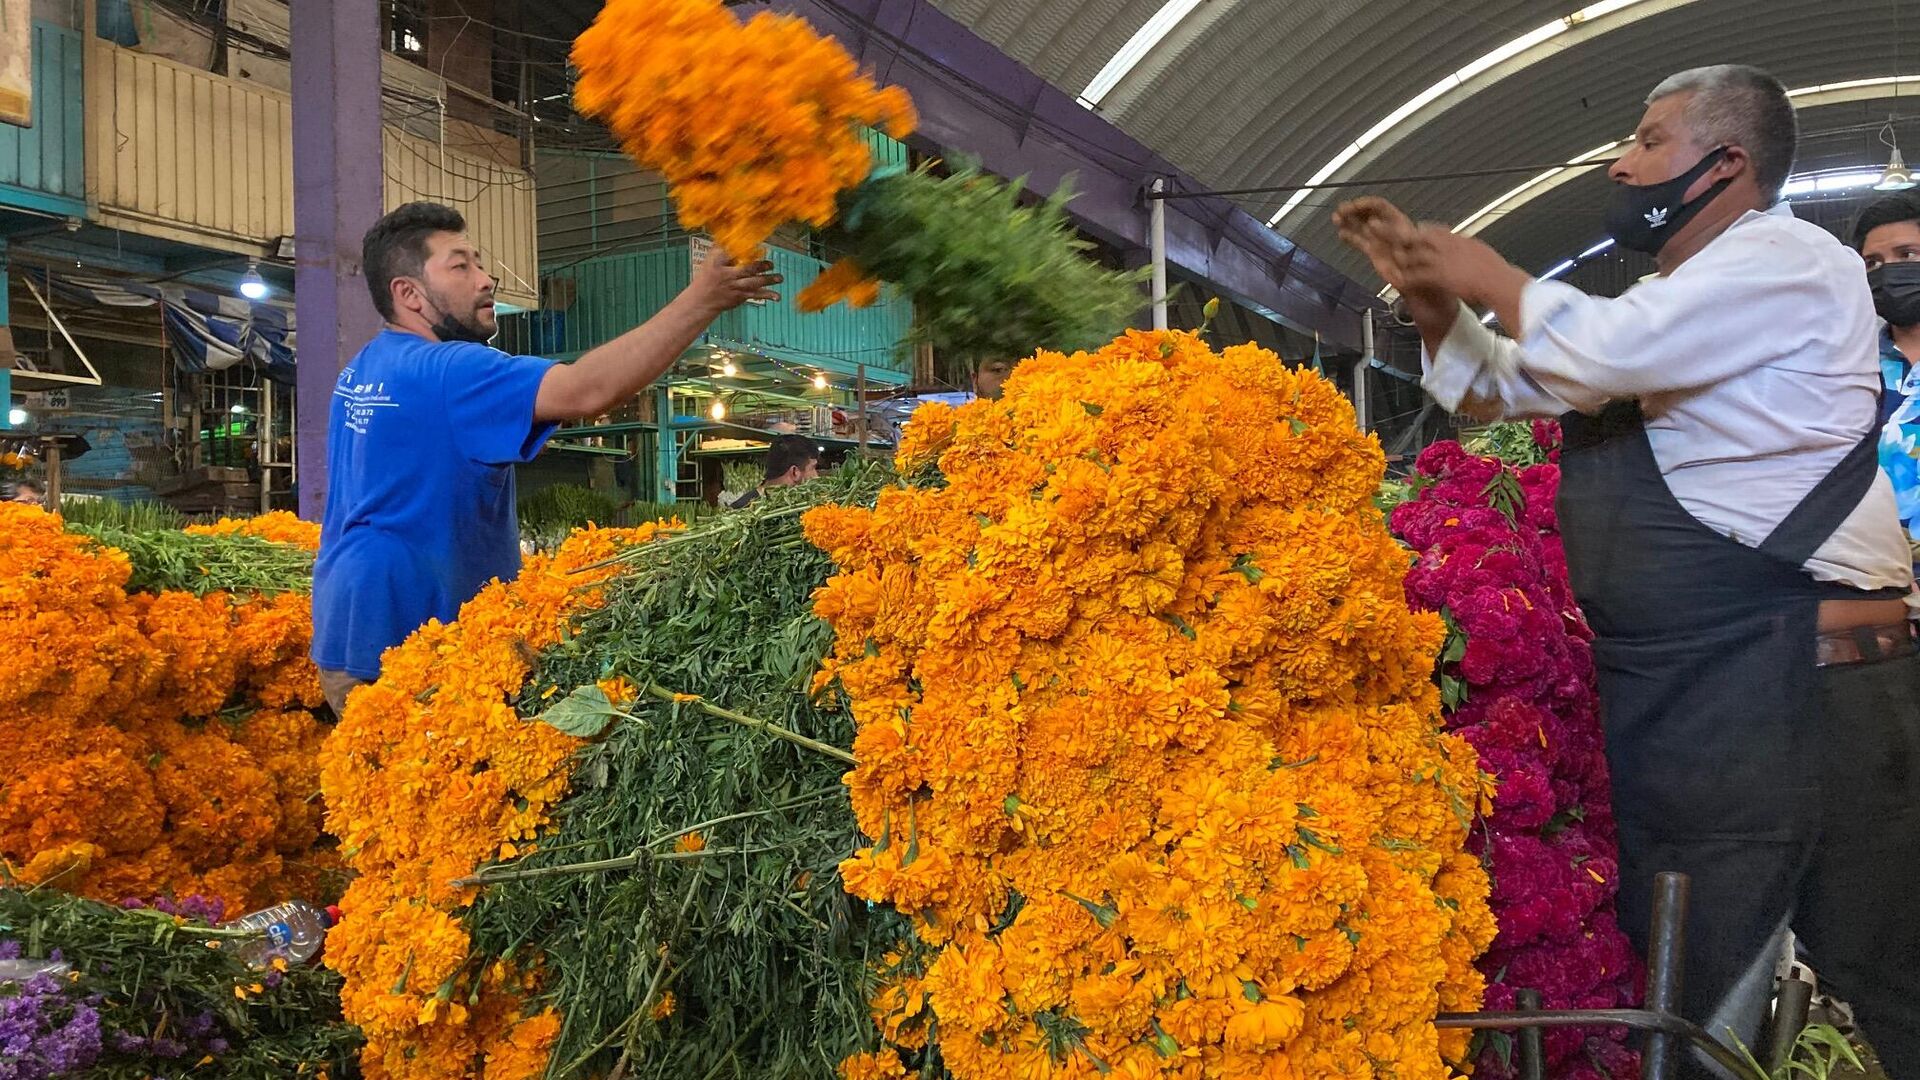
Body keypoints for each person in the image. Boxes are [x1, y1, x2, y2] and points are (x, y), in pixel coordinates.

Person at [1337, 65, 1919, 1075]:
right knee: (1696, 1000)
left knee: (1869, 983)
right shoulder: (1670, 300)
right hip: (1703, 705)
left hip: (1800, 695)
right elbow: (1495, 389)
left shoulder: (1785, 262)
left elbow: (1600, 350)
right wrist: (1436, 302)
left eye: (1650, 141)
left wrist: (1485, 271)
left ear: (1727, 161)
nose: (1621, 162)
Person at [311, 202, 779, 714]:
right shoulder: (450, 370)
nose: (486, 280)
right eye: (460, 266)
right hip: (407, 637)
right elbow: (586, 389)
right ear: (409, 294)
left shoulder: (366, 366)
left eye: (479, 262)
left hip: (350, 623)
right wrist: (701, 301)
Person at [1853, 191, 1920, 571]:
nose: (1888, 272)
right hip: (1872, 584)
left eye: (1906, 254)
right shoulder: (1848, 366)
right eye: (1873, 263)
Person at [728, 434, 820, 510]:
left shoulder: (787, 506)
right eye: (813, 468)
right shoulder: (741, 512)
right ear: (795, 472)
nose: (816, 477)